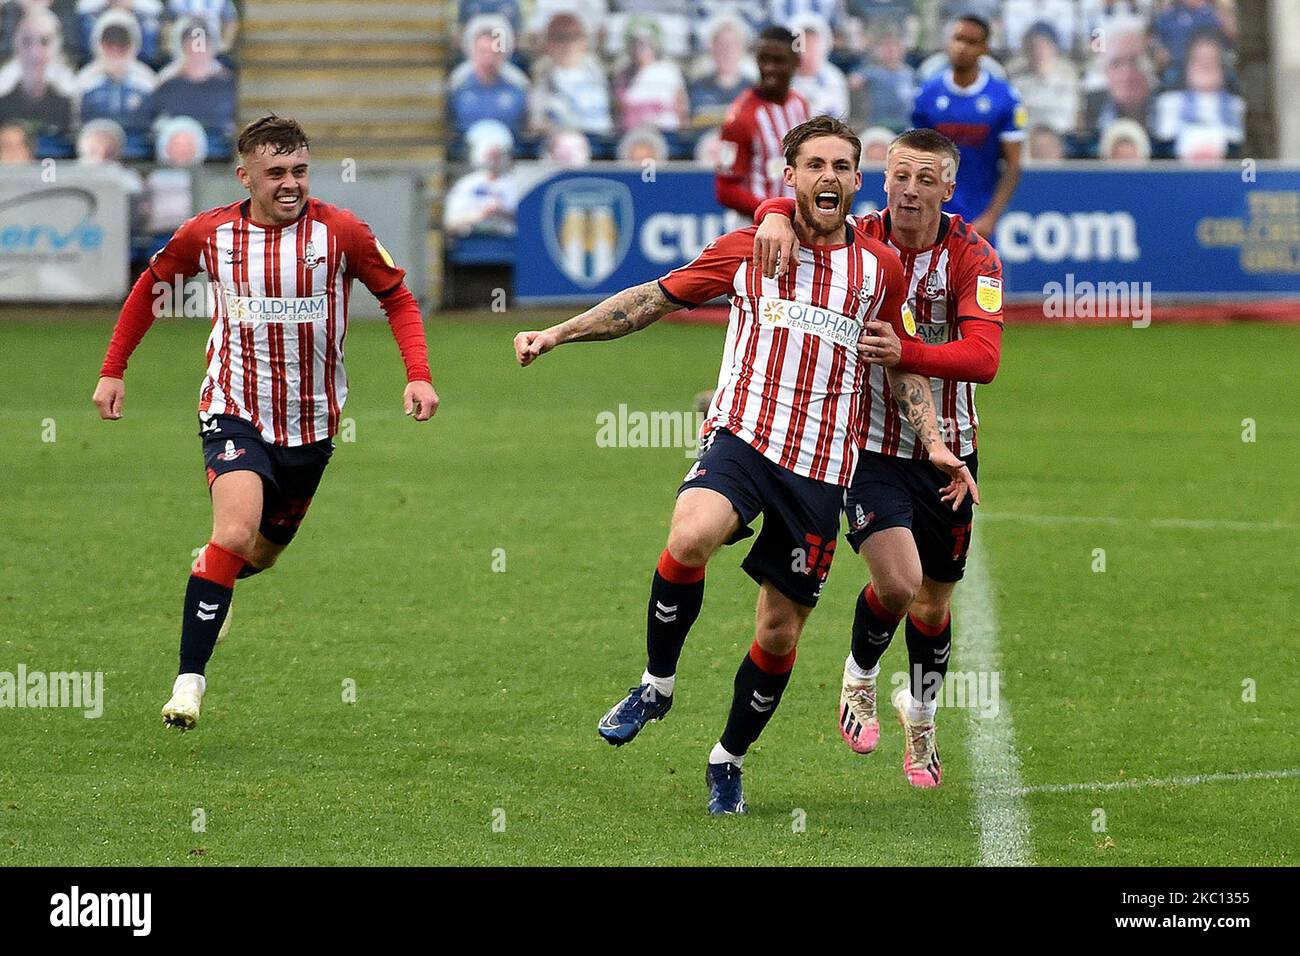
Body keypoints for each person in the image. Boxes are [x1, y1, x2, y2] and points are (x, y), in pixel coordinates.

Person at [513, 115, 976, 814]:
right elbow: (649, 300)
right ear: (789, 177)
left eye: (842, 165)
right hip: (745, 439)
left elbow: (899, 360)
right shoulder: (750, 248)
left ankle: (727, 758)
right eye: (814, 164)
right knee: (691, 534)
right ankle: (655, 685)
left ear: (856, 181)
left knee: (778, 631)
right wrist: (557, 333)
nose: (829, 176)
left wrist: (934, 441)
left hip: (821, 471)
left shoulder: (877, 270)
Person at [91, 115, 440, 730]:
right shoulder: (210, 234)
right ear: (245, 174)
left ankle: (215, 574)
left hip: (311, 425)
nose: (289, 184)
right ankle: (188, 685)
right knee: (233, 531)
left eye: (299, 171)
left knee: (260, 554)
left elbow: (397, 296)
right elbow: (151, 286)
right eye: (275, 172)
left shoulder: (340, 231)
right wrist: (114, 367)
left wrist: (418, 372)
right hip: (234, 408)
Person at [751, 126, 1004, 789]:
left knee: (932, 605)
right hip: (870, 448)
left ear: (949, 189)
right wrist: (773, 211)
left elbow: (984, 360)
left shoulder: (973, 256)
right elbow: (793, 207)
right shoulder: (857, 237)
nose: (911, 190)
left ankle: (919, 719)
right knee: (897, 584)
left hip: (952, 451)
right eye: (900, 175)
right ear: (881, 177)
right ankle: (859, 679)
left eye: (926, 179)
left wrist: (905, 351)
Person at [911, 14, 1024, 242]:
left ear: (985, 49)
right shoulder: (926, 95)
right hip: (934, 214)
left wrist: (992, 216)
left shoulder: (1004, 98)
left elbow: (1013, 165)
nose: (962, 47)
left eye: (971, 42)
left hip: (979, 215)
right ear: (947, 42)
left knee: (982, 278)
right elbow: (914, 157)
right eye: (958, 39)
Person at [713, 25, 808, 218]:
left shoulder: (800, 105)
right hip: (756, 229)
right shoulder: (740, 118)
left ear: (796, 62)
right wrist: (772, 211)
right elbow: (725, 189)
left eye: (778, 61)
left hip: (797, 226)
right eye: (763, 60)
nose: (769, 68)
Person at [75, 8, 156, 157]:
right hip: (96, 154)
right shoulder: (84, 81)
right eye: (109, 43)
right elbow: (75, 126)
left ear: (133, 44)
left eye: (122, 44)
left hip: (138, 156)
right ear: (98, 43)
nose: (115, 49)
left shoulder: (148, 82)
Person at [0, 6, 77, 144]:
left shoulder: (69, 103)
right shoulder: (2, 103)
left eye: (45, 41)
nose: (35, 53)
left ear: (57, 47)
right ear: (16, 46)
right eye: (26, 41)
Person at [449, 14, 529, 141]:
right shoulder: (457, 85)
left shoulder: (518, 85)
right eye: (483, 51)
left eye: (494, 52)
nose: (488, 58)